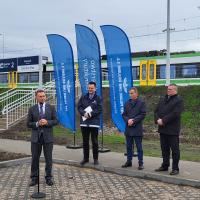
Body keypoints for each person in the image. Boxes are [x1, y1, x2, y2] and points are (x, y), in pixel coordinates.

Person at [27, 89, 58, 186]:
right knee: (35, 158)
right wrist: (37, 123)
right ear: (36, 97)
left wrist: (47, 122)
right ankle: (34, 178)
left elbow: (56, 121)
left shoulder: (51, 108)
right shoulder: (32, 109)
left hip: (48, 137)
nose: (42, 98)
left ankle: (49, 177)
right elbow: (28, 124)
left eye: (43, 96)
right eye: (40, 96)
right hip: (36, 138)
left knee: (49, 159)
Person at [154, 84, 184, 175]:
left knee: (175, 150)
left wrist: (163, 120)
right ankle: (165, 165)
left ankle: (175, 168)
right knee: (164, 149)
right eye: (168, 89)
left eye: (170, 89)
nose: (168, 90)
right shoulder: (163, 99)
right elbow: (156, 111)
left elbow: (175, 113)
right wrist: (157, 120)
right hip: (162, 129)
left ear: (175, 90)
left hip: (172, 130)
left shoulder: (179, 100)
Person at [78, 81, 102, 165]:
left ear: (95, 88)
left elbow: (99, 109)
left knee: (94, 141)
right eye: (89, 88)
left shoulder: (98, 98)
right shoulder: (83, 97)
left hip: (94, 123)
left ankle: (95, 159)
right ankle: (86, 158)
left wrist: (90, 114)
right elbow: (79, 107)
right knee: (85, 141)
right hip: (84, 123)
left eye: (92, 88)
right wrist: (83, 113)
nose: (90, 89)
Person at [122, 87, 146, 170]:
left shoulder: (141, 103)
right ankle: (129, 161)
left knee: (139, 147)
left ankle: (140, 163)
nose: (130, 95)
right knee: (129, 146)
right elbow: (124, 114)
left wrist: (134, 120)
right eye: (130, 93)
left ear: (136, 93)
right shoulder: (127, 103)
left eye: (132, 93)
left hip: (137, 129)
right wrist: (128, 120)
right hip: (128, 128)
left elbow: (143, 114)